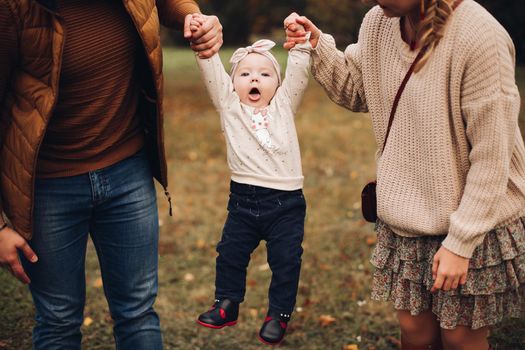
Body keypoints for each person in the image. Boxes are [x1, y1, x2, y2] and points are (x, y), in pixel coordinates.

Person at [284, 0, 525, 349]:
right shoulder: (379, 22)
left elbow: (493, 158)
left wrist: (460, 243)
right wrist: (317, 45)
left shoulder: (480, 36)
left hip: (474, 218)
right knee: (415, 333)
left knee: (459, 338)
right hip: (410, 215)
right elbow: (357, 88)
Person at [0, 1, 222, 349]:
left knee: (137, 312)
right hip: (47, 188)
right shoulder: (14, 9)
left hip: (127, 173)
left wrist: (191, 15)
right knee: (58, 320)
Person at [188, 14, 311, 345]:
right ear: (233, 82)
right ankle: (227, 303)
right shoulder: (229, 106)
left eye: (264, 74)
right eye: (244, 73)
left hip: (285, 203)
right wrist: (204, 45)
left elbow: (299, 74)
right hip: (243, 201)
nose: (254, 78)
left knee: (285, 261)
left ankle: (278, 315)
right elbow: (211, 69)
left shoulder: (284, 106)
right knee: (230, 253)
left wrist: (299, 44)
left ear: (277, 83)